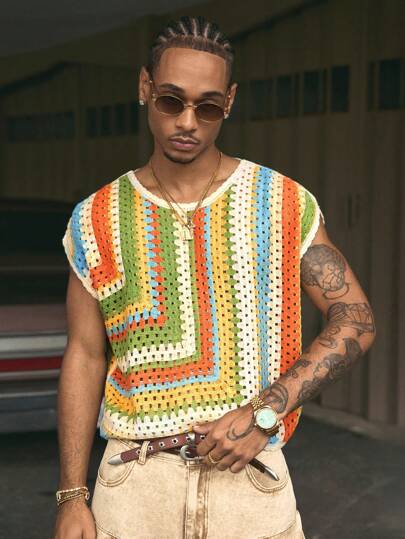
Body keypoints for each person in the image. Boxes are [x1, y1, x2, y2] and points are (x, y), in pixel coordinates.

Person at [53, 15, 376, 539]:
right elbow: (85, 355)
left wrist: (266, 412)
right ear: (144, 87)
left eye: (207, 107)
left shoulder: (281, 203)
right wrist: (71, 494)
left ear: (229, 101)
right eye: (170, 101)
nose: (187, 122)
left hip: (249, 486)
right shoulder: (96, 218)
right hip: (134, 488)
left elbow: (355, 319)